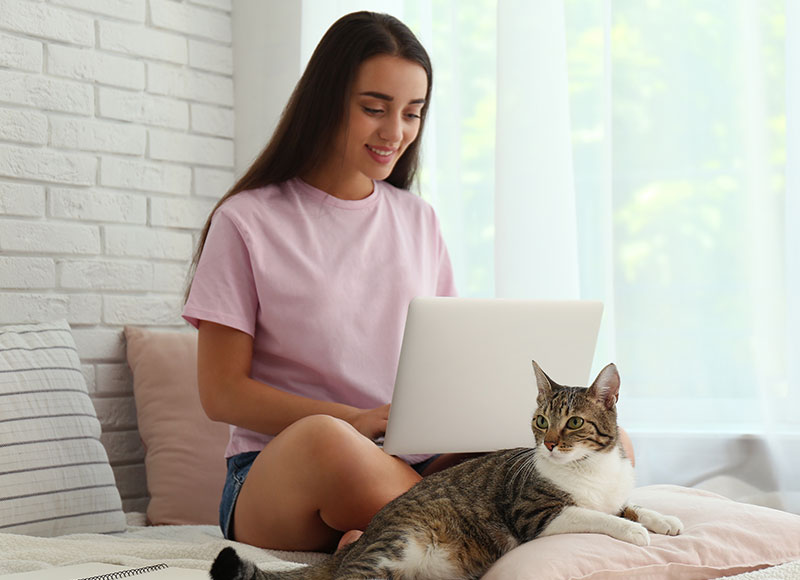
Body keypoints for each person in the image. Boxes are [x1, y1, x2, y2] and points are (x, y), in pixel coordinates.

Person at [182, 11, 456, 553]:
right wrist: (352, 420)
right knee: (328, 442)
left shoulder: (419, 219)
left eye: (412, 113)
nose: (395, 132)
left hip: (404, 463)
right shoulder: (246, 220)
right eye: (374, 109)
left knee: (589, 441)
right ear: (327, 99)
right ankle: (452, 529)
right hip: (279, 473)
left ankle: (383, 539)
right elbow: (221, 393)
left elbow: (444, 360)